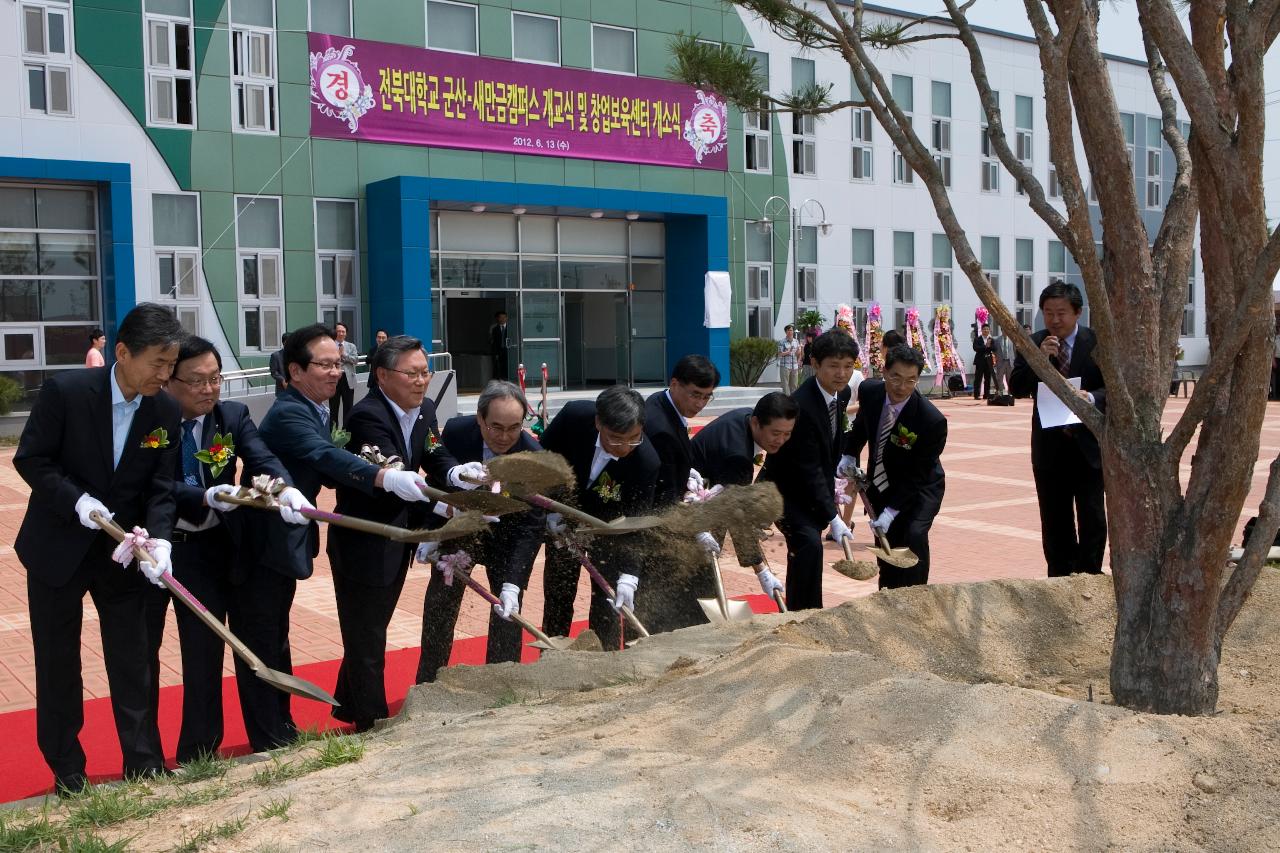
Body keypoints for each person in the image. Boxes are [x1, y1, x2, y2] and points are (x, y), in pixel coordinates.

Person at [14, 303, 183, 793]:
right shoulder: (66, 392)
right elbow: (32, 460)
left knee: (134, 658)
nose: (164, 374)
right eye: (157, 362)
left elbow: (161, 488)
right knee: (58, 661)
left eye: (170, 364)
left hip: (123, 554)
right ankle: (67, 770)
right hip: (58, 551)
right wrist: (76, 500)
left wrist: (161, 538)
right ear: (123, 352)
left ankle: (144, 763)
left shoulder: (164, 409)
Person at [252, 324, 433, 749]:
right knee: (269, 638)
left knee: (293, 634)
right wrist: (384, 476)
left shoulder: (316, 406)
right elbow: (326, 457)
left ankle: (303, 721)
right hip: (263, 540)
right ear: (295, 371)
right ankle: (275, 735)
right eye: (326, 364)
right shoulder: (291, 412)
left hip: (290, 537)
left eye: (340, 363)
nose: (336, 373)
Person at [145, 336, 310, 762]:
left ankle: (272, 737)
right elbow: (155, 484)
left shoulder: (232, 416)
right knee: (201, 651)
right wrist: (201, 496)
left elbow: (262, 458)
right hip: (176, 548)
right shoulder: (151, 422)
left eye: (215, 378)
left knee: (256, 640)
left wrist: (285, 489)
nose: (208, 389)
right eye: (196, 380)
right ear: (169, 382)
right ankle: (198, 753)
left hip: (229, 544)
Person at [326, 335, 451, 731]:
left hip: (395, 536)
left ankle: (349, 704)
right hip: (363, 541)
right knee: (367, 636)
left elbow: (433, 453)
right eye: (411, 373)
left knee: (370, 627)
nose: (421, 381)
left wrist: (455, 474)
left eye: (425, 372)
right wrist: (445, 506)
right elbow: (398, 478)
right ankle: (371, 721)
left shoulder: (425, 409)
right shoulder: (368, 417)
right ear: (382, 375)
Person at [416, 380, 546, 683]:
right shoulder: (459, 433)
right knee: (440, 603)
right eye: (496, 427)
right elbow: (438, 480)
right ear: (479, 419)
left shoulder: (533, 456)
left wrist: (514, 582)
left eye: (514, 428)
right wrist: (433, 532)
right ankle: (428, 683)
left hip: (507, 538)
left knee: (507, 611)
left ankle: (500, 682)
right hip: (461, 531)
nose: (504, 437)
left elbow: (531, 526)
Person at [539, 386, 660, 650]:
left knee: (607, 600)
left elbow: (638, 521)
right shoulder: (573, 417)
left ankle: (602, 659)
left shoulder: (646, 462)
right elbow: (539, 460)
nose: (625, 447)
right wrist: (550, 509)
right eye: (616, 439)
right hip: (561, 521)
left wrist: (630, 574)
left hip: (609, 531)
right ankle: (550, 657)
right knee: (558, 594)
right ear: (598, 423)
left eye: (634, 438)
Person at [1009, 280, 1108, 577]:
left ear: (1077, 312)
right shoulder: (1034, 341)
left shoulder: (1096, 342)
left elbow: (1114, 389)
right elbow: (1016, 387)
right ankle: (1060, 579)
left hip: (1088, 448)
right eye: (1048, 312)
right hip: (1050, 451)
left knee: (1092, 517)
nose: (1054, 319)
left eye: (1061, 312)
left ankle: (1089, 575)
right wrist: (1040, 360)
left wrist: (1090, 398)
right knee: (1054, 520)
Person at [758, 331, 857, 610]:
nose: (841, 373)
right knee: (808, 546)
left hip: (811, 491)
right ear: (815, 364)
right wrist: (833, 517)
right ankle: (800, 616)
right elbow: (808, 467)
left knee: (810, 552)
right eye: (833, 366)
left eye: (848, 366)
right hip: (784, 491)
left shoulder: (842, 393)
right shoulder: (802, 405)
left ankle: (810, 612)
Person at [841, 345, 947, 589]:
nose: (902, 387)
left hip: (920, 488)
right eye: (896, 377)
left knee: (912, 536)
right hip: (883, 480)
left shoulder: (930, 420)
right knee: (886, 543)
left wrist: (891, 512)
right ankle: (887, 593)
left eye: (911, 381)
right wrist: (848, 454)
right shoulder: (870, 392)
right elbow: (861, 428)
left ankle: (915, 596)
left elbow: (917, 475)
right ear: (884, 372)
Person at [637, 355, 721, 633]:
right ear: (675, 384)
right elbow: (664, 495)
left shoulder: (664, 405)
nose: (700, 404)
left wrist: (687, 475)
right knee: (667, 592)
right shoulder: (661, 426)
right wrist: (695, 526)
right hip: (657, 523)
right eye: (695, 395)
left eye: (707, 397)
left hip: (667, 510)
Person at [690, 391, 799, 600]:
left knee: (704, 580)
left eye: (787, 434)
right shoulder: (738, 456)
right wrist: (762, 572)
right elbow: (737, 518)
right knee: (698, 582)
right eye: (776, 433)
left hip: (713, 497)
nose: (781, 440)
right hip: (694, 506)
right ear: (757, 423)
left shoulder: (746, 417)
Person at [330, 322, 359, 426]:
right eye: (338, 331)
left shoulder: (351, 346)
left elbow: (355, 360)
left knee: (348, 407)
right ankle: (333, 433)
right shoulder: (330, 345)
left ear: (346, 333)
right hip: (334, 379)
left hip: (348, 380)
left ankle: (347, 433)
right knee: (333, 407)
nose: (341, 333)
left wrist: (344, 354)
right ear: (334, 332)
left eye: (343, 331)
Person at [972, 323, 996, 400]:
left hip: (989, 361)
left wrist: (988, 348)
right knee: (978, 378)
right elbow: (975, 348)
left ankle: (986, 395)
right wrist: (985, 347)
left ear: (989, 330)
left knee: (988, 379)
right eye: (984, 329)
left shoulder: (991, 339)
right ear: (982, 330)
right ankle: (976, 395)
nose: (986, 330)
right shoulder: (977, 339)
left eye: (987, 329)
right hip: (980, 361)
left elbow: (994, 348)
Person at [778, 325, 802, 395]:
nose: (790, 332)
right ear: (786, 332)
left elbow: (798, 354)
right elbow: (779, 354)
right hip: (785, 366)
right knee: (785, 386)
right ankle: (786, 401)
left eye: (791, 330)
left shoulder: (796, 341)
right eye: (788, 330)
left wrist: (799, 350)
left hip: (794, 366)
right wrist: (788, 352)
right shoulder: (782, 342)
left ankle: (793, 402)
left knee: (794, 385)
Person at [994, 327, 1017, 397]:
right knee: (999, 378)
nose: (1005, 332)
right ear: (1002, 331)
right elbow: (995, 351)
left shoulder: (1012, 340)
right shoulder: (997, 340)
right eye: (1004, 330)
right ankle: (1001, 393)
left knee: (1010, 379)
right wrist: (997, 358)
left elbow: (1015, 351)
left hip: (1010, 362)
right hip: (1001, 361)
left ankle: (1010, 393)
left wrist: (1015, 360)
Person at [490, 311, 511, 381]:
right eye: (500, 317)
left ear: (507, 318)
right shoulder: (495, 329)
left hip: (508, 350)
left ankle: (508, 380)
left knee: (508, 366)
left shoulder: (511, 328)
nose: (502, 319)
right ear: (498, 319)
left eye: (504, 317)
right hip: (499, 351)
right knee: (499, 367)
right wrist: (495, 353)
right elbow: (494, 342)